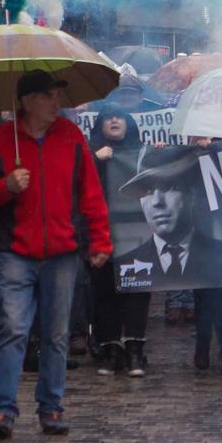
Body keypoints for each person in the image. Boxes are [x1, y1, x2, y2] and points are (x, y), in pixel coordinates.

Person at [0, 70, 112, 439]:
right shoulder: (1, 140)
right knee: (14, 329)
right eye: (49, 96)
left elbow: (90, 193)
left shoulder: (71, 137)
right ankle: (3, 410)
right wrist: (7, 185)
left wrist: (100, 240)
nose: (57, 103)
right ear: (28, 101)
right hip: (16, 251)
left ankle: (51, 407)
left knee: (57, 333)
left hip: (63, 252)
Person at [118, 145, 222, 377]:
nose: (157, 201)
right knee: (206, 300)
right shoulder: (130, 260)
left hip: (214, 248)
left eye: (170, 187)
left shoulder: (220, 251)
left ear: (191, 193)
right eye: (147, 191)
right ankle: (205, 344)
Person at [86, 108, 151, 376]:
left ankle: (134, 350)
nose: (114, 121)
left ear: (129, 124)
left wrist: (158, 153)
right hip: (101, 234)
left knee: (136, 292)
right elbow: (71, 180)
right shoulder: (90, 153)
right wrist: (93, 160)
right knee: (105, 293)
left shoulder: (143, 152)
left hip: (136, 234)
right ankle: (112, 350)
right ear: (100, 125)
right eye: (108, 117)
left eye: (120, 117)